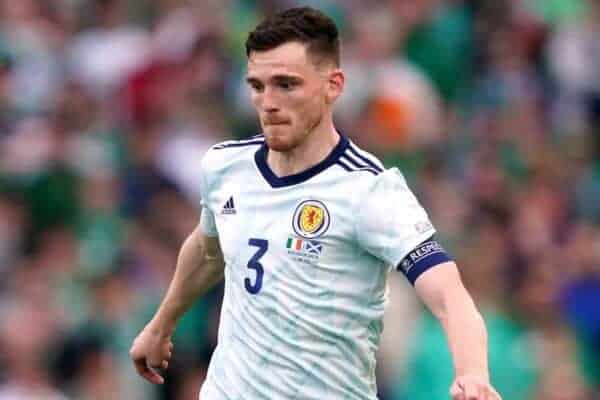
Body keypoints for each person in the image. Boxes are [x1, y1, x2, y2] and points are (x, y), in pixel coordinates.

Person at [130, 7, 502, 400]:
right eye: (257, 86)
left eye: (286, 85)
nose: (268, 102)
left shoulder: (369, 191)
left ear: (333, 85)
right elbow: (208, 248)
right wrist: (160, 325)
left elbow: (449, 294)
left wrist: (473, 373)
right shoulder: (226, 165)